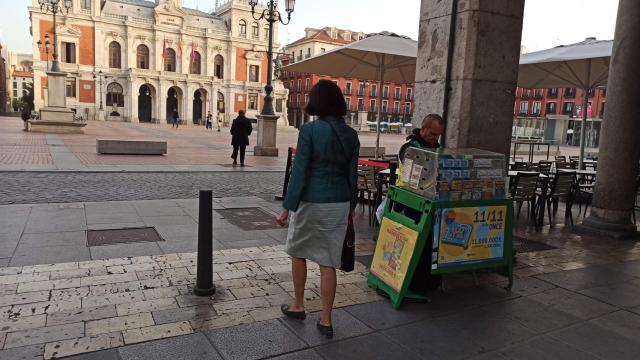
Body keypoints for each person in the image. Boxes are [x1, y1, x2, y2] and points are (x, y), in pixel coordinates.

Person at [276, 80, 359, 339]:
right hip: (339, 203)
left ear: (317, 102)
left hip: (312, 202)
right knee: (328, 262)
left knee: (298, 252)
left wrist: (287, 208)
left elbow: (299, 172)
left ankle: (298, 305)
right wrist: (351, 207)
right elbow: (352, 175)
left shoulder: (310, 130)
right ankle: (326, 319)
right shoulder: (351, 135)